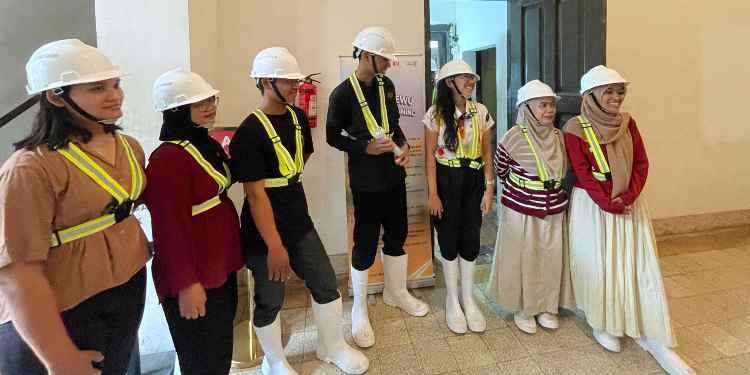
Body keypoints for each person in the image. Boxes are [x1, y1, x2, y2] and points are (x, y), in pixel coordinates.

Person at [0, 39, 149, 375]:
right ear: (55, 96)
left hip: (125, 290)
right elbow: (17, 273)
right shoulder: (29, 169)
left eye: (115, 84)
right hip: (63, 310)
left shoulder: (129, 148)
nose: (115, 96)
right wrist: (59, 358)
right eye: (97, 88)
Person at [229, 47, 368, 375]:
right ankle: (274, 360)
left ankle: (331, 346)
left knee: (324, 281)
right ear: (265, 81)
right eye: (288, 80)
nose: (295, 86)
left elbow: (299, 160)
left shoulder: (298, 118)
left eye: (296, 79)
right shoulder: (248, 132)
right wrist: (275, 246)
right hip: (263, 232)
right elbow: (255, 194)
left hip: (298, 221)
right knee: (271, 297)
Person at [564, 65, 694, 375]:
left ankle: (642, 322)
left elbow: (641, 163)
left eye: (619, 91)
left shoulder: (628, 123)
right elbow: (582, 172)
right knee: (600, 264)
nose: (616, 97)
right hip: (593, 206)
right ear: (591, 96)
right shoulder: (574, 128)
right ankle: (603, 321)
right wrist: (607, 203)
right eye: (608, 91)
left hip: (627, 204)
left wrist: (628, 197)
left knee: (634, 263)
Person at [326, 26, 429, 348]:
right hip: (366, 181)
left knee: (397, 234)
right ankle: (358, 307)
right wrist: (364, 149)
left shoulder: (388, 85)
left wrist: (403, 147)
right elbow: (332, 137)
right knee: (366, 241)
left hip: (393, 178)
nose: (389, 64)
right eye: (384, 59)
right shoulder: (342, 94)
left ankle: (396, 293)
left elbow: (393, 124)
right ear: (367, 56)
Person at [144, 68, 244, 374]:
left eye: (210, 99)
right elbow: (169, 230)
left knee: (219, 352)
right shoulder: (167, 160)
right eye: (199, 103)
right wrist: (186, 284)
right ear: (176, 111)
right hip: (196, 275)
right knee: (202, 361)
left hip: (219, 265)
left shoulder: (202, 143)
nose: (210, 106)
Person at [486, 80, 574, 334]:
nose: (549, 110)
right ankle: (523, 307)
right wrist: (524, 190)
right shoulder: (511, 137)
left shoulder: (559, 137)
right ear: (526, 108)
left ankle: (547, 306)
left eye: (551, 105)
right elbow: (501, 169)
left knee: (551, 257)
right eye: (542, 105)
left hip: (554, 207)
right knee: (524, 258)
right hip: (521, 209)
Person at [423, 60, 494, 333]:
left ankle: (468, 298)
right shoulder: (435, 114)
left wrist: (489, 189)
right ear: (450, 82)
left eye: (472, 78)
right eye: (465, 78)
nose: (471, 82)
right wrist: (433, 194)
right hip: (446, 179)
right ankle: (453, 299)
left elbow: (487, 153)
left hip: (473, 179)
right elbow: (430, 157)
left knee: (471, 237)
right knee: (449, 237)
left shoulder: (481, 112)